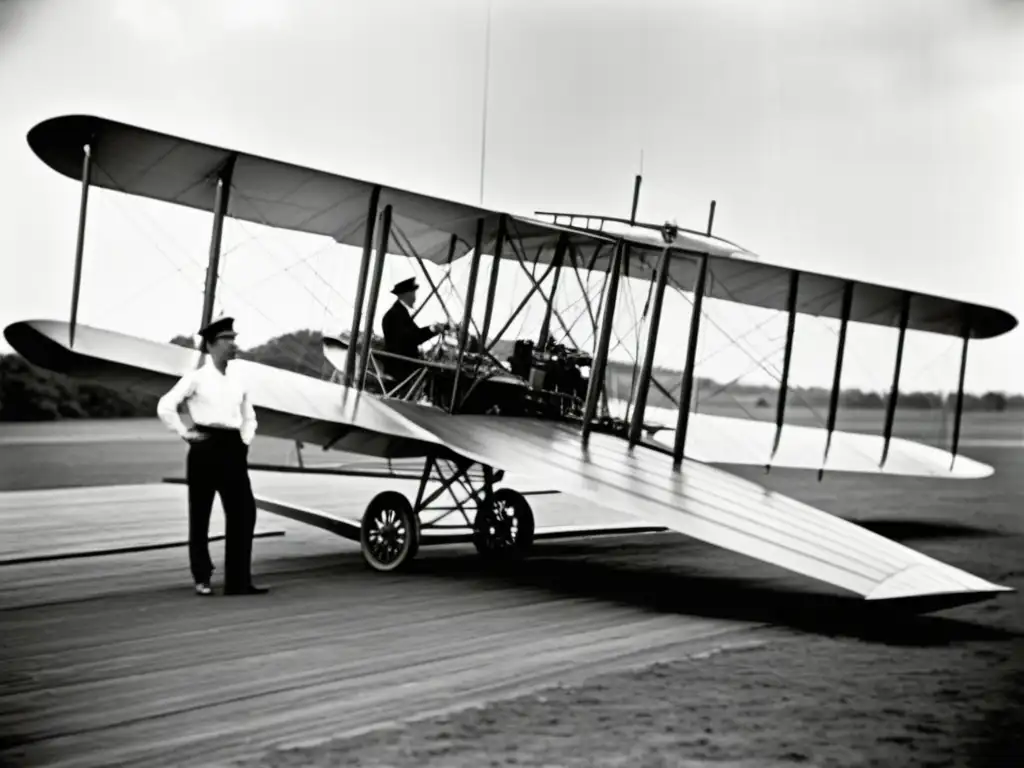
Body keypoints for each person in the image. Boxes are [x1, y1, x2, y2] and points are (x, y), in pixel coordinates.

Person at [156, 316, 268, 597]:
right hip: (205, 445)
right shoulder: (196, 378)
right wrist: (184, 432)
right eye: (227, 339)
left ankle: (238, 581)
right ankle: (202, 577)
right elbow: (165, 406)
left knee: (244, 513)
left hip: (232, 446)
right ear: (211, 345)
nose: (233, 344)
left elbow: (249, 416)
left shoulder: (238, 380)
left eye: (233, 338)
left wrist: (245, 441)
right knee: (201, 513)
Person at [380, 277, 447, 388]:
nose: (415, 298)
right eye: (413, 294)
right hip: (399, 370)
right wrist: (432, 329)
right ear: (406, 295)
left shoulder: (400, 313)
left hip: (401, 368)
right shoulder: (395, 315)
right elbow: (412, 338)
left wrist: (434, 328)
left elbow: (414, 335)